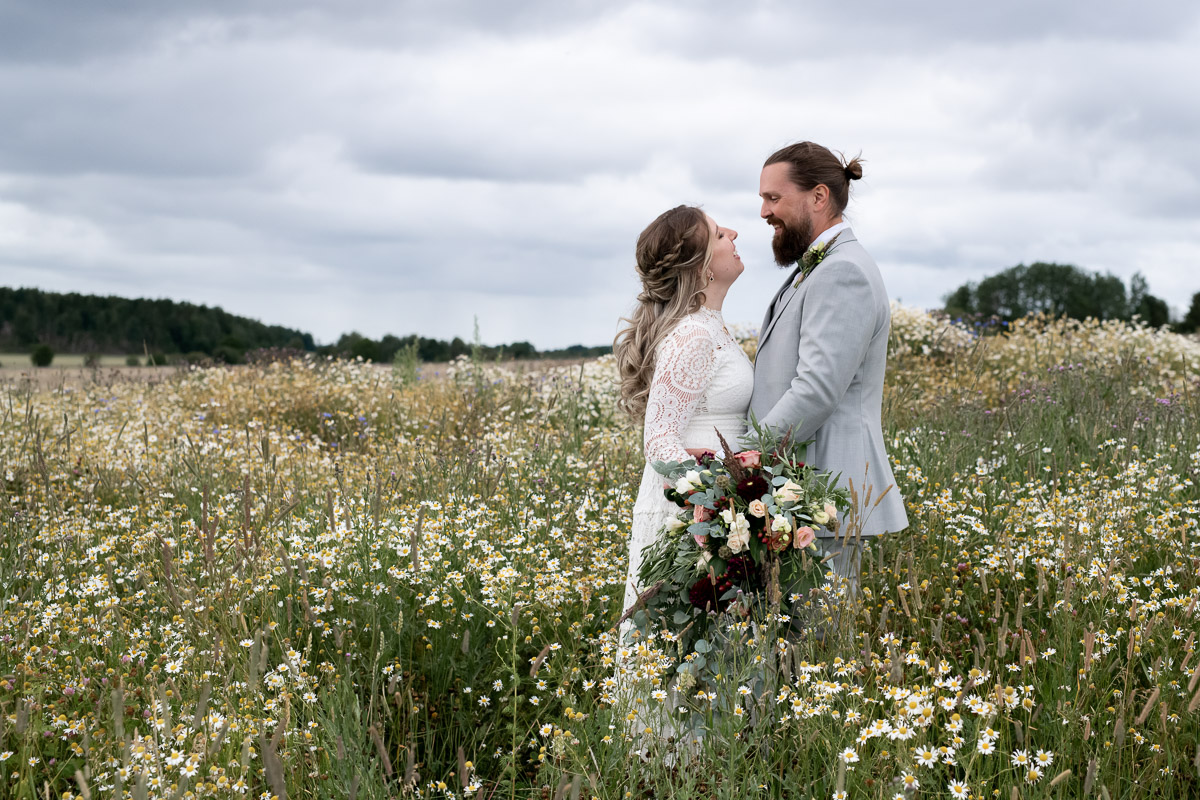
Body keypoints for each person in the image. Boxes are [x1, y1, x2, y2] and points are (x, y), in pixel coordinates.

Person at [749, 142, 908, 596]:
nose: (763, 212)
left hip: (823, 492)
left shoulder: (844, 272)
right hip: (802, 489)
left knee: (817, 648)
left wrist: (744, 457)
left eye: (773, 198)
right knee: (793, 645)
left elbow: (817, 388)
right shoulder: (818, 266)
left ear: (818, 197)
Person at [614, 205, 753, 627]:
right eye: (717, 235)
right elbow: (658, 441)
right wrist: (710, 496)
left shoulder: (710, 326)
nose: (733, 232)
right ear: (701, 268)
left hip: (717, 508)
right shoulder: (693, 334)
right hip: (690, 514)